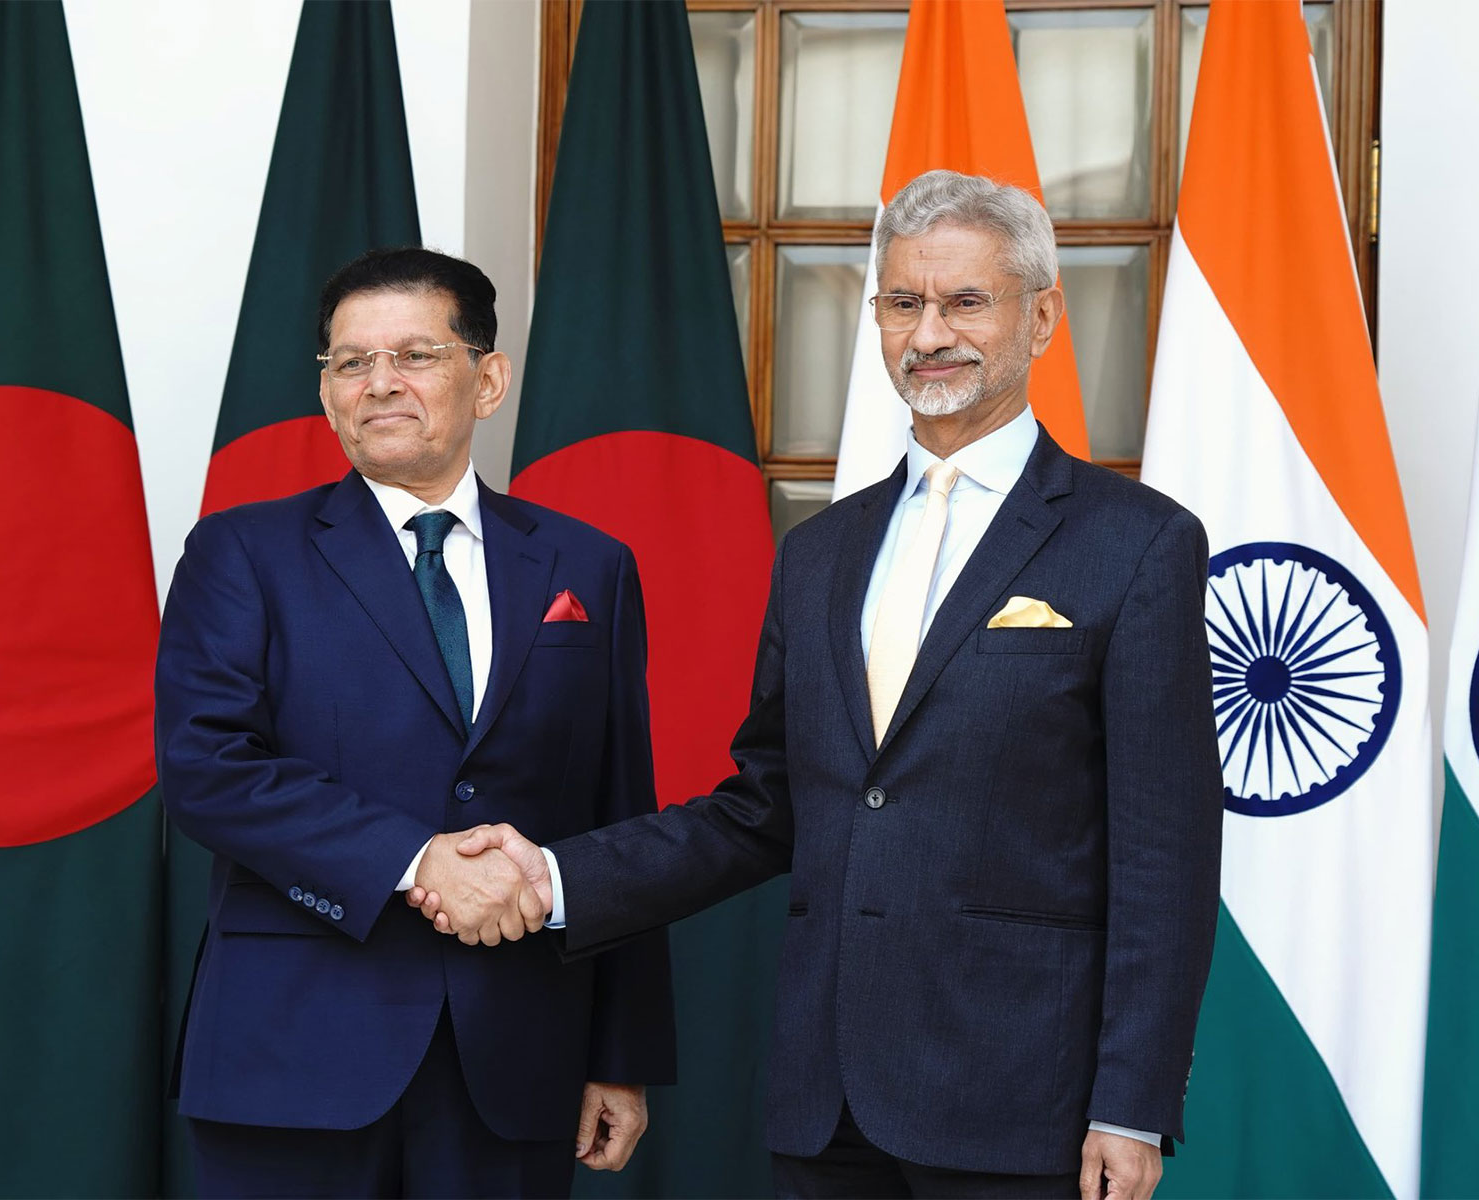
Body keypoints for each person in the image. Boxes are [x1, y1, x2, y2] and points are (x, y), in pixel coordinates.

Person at [412, 170, 1224, 1200]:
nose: (929, 333)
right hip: (825, 1101)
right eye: (902, 302)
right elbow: (766, 808)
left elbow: (1164, 852)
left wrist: (1131, 1103)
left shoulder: (1138, 542)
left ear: (1042, 318)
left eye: (966, 301)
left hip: (1028, 1104)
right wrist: (553, 878)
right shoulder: (820, 552)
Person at [155, 246, 675, 1199]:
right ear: (327, 394)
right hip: (294, 1053)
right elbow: (209, 769)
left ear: (489, 379)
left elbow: (619, 813)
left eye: (415, 355)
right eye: (351, 362)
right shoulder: (241, 552)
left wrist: (620, 1052)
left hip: (518, 1055)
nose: (380, 383)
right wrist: (416, 860)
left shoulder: (588, 566)